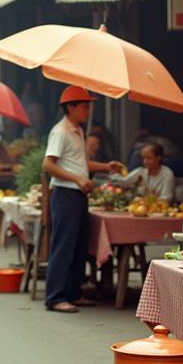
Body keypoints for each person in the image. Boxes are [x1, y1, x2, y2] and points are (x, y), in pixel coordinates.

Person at [43, 86, 124, 313]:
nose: (88, 110)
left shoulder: (78, 131)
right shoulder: (61, 131)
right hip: (65, 194)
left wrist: (107, 166)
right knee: (63, 247)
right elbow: (48, 164)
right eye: (84, 106)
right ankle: (55, 297)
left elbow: (82, 164)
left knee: (78, 246)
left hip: (77, 194)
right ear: (71, 107)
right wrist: (77, 179)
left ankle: (73, 293)